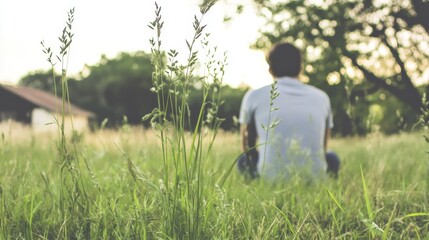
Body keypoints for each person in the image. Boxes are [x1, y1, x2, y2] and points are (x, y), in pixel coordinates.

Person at [238, 42, 340, 181]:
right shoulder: (322, 97)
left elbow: (246, 147)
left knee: (243, 160)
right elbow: (323, 148)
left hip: (268, 178)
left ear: (270, 69)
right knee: (332, 158)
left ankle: (254, 189)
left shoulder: (253, 96)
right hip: (313, 179)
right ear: (301, 68)